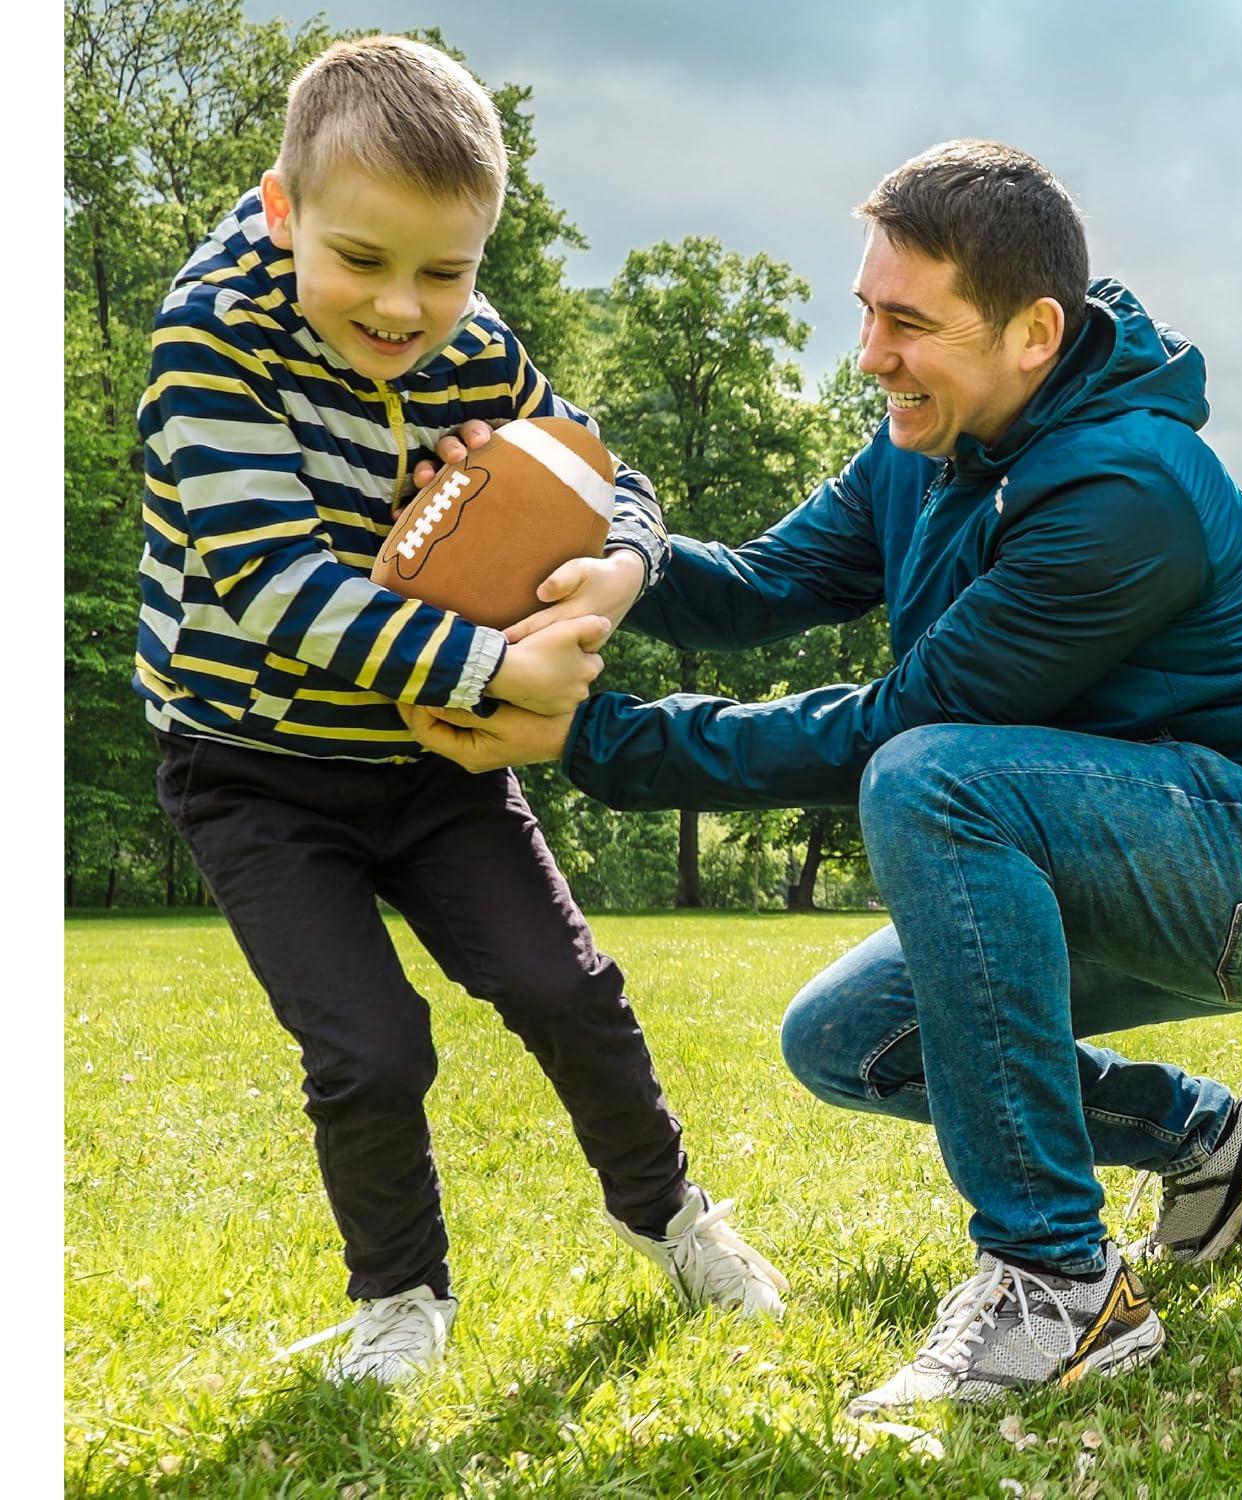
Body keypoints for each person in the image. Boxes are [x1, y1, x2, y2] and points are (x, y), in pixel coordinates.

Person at [404, 139, 1242, 1410]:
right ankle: (1216, 1143)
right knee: (848, 1040)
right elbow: (765, 584)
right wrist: (588, 540)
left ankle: (1058, 1281)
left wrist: (592, 739)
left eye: (910, 324)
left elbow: (902, 727)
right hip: (1127, 839)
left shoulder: (1125, 489)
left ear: (1033, 333)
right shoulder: (927, 444)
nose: (871, 353)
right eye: (868, 310)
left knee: (931, 777)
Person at [134, 35, 786, 1387]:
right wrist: (499, 670)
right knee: (370, 1050)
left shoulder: (476, 344)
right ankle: (401, 1299)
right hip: (253, 769)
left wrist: (618, 571)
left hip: (433, 763)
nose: (402, 307)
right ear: (283, 210)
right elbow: (273, 585)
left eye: (446, 270)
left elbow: (609, 478)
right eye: (362, 259)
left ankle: (669, 1214)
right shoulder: (211, 342)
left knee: (569, 989)